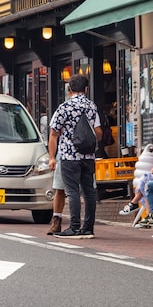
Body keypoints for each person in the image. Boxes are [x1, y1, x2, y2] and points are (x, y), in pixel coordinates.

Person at [48, 74, 102, 239]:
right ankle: (88, 227)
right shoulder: (92, 106)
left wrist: (52, 157)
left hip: (69, 156)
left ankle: (74, 227)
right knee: (89, 192)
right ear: (86, 89)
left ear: (69, 89)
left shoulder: (64, 107)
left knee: (72, 192)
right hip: (88, 155)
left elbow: (53, 134)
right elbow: (98, 133)